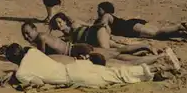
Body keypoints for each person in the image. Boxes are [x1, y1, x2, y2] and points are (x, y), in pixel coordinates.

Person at [0, 44, 180, 90]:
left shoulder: (22, 72)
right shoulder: (32, 51)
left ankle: (160, 67)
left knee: (115, 77)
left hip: (73, 77)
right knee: (114, 71)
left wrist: (16, 76)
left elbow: (38, 83)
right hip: (75, 65)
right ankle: (161, 62)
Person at [21, 21, 172, 65]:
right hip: (78, 49)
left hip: (78, 52)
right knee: (117, 53)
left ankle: (155, 56)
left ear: (35, 29)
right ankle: (144, 46)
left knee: (120, 59)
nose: (27, 36)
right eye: (24, 35)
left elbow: (41, 57)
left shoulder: (40, 39)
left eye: (28, 32)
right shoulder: (44, 35)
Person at [94, 2, 187, 41]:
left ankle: (179, 27)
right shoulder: (108, 16)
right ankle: (180, 33)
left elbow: (104, 24)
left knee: (155, 34)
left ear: (104, 9)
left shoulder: (106, 15)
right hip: (130, 25)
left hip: (129, 28)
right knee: (158, 35)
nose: (98, 11)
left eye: (99, 9)